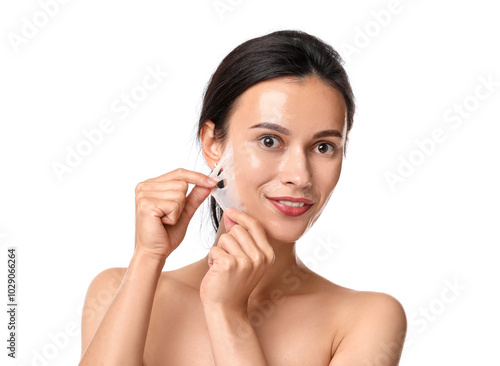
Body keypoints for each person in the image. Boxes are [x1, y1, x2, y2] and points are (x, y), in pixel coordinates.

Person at [79, 29, 407, 366]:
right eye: (269, 140)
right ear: (213, 144)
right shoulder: (120, 291)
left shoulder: (366, 320)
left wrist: (228, 314)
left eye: (324, 147)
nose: (301, 175)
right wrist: (148, 257)